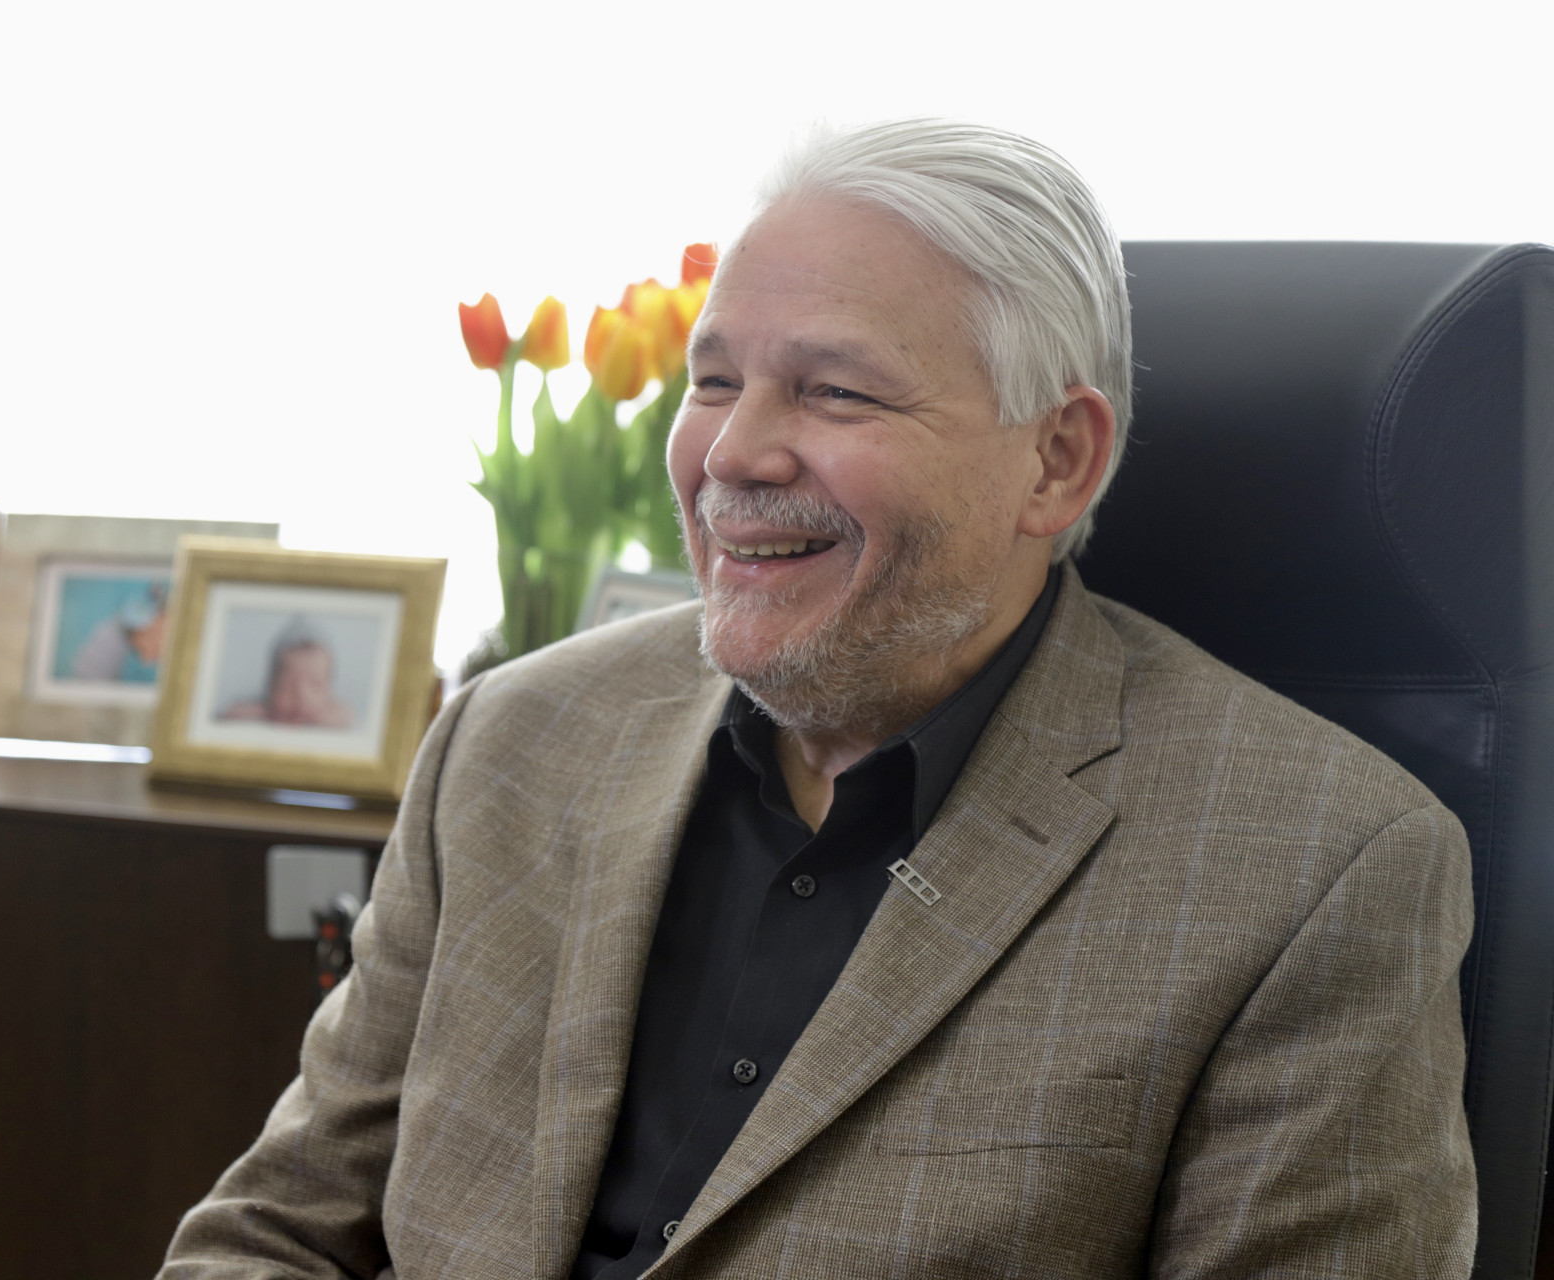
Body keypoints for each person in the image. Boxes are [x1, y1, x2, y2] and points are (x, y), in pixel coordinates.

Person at [160, 119, 1476, 1279]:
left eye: (834, 390)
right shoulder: (512, 739)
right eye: (714, 380)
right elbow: (277, 1229)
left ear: (1056, 462)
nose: (732, 452)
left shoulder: (1317, 868)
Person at [220, 619, 355, 728]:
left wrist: (320, 719)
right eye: (290, 686)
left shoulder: (331, 712)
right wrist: (267, 714)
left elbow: (348, 717)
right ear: (272, 686)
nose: (302, 697)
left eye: (316, 685)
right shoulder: (265, 708)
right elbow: (229, 713)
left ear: (329, 690)